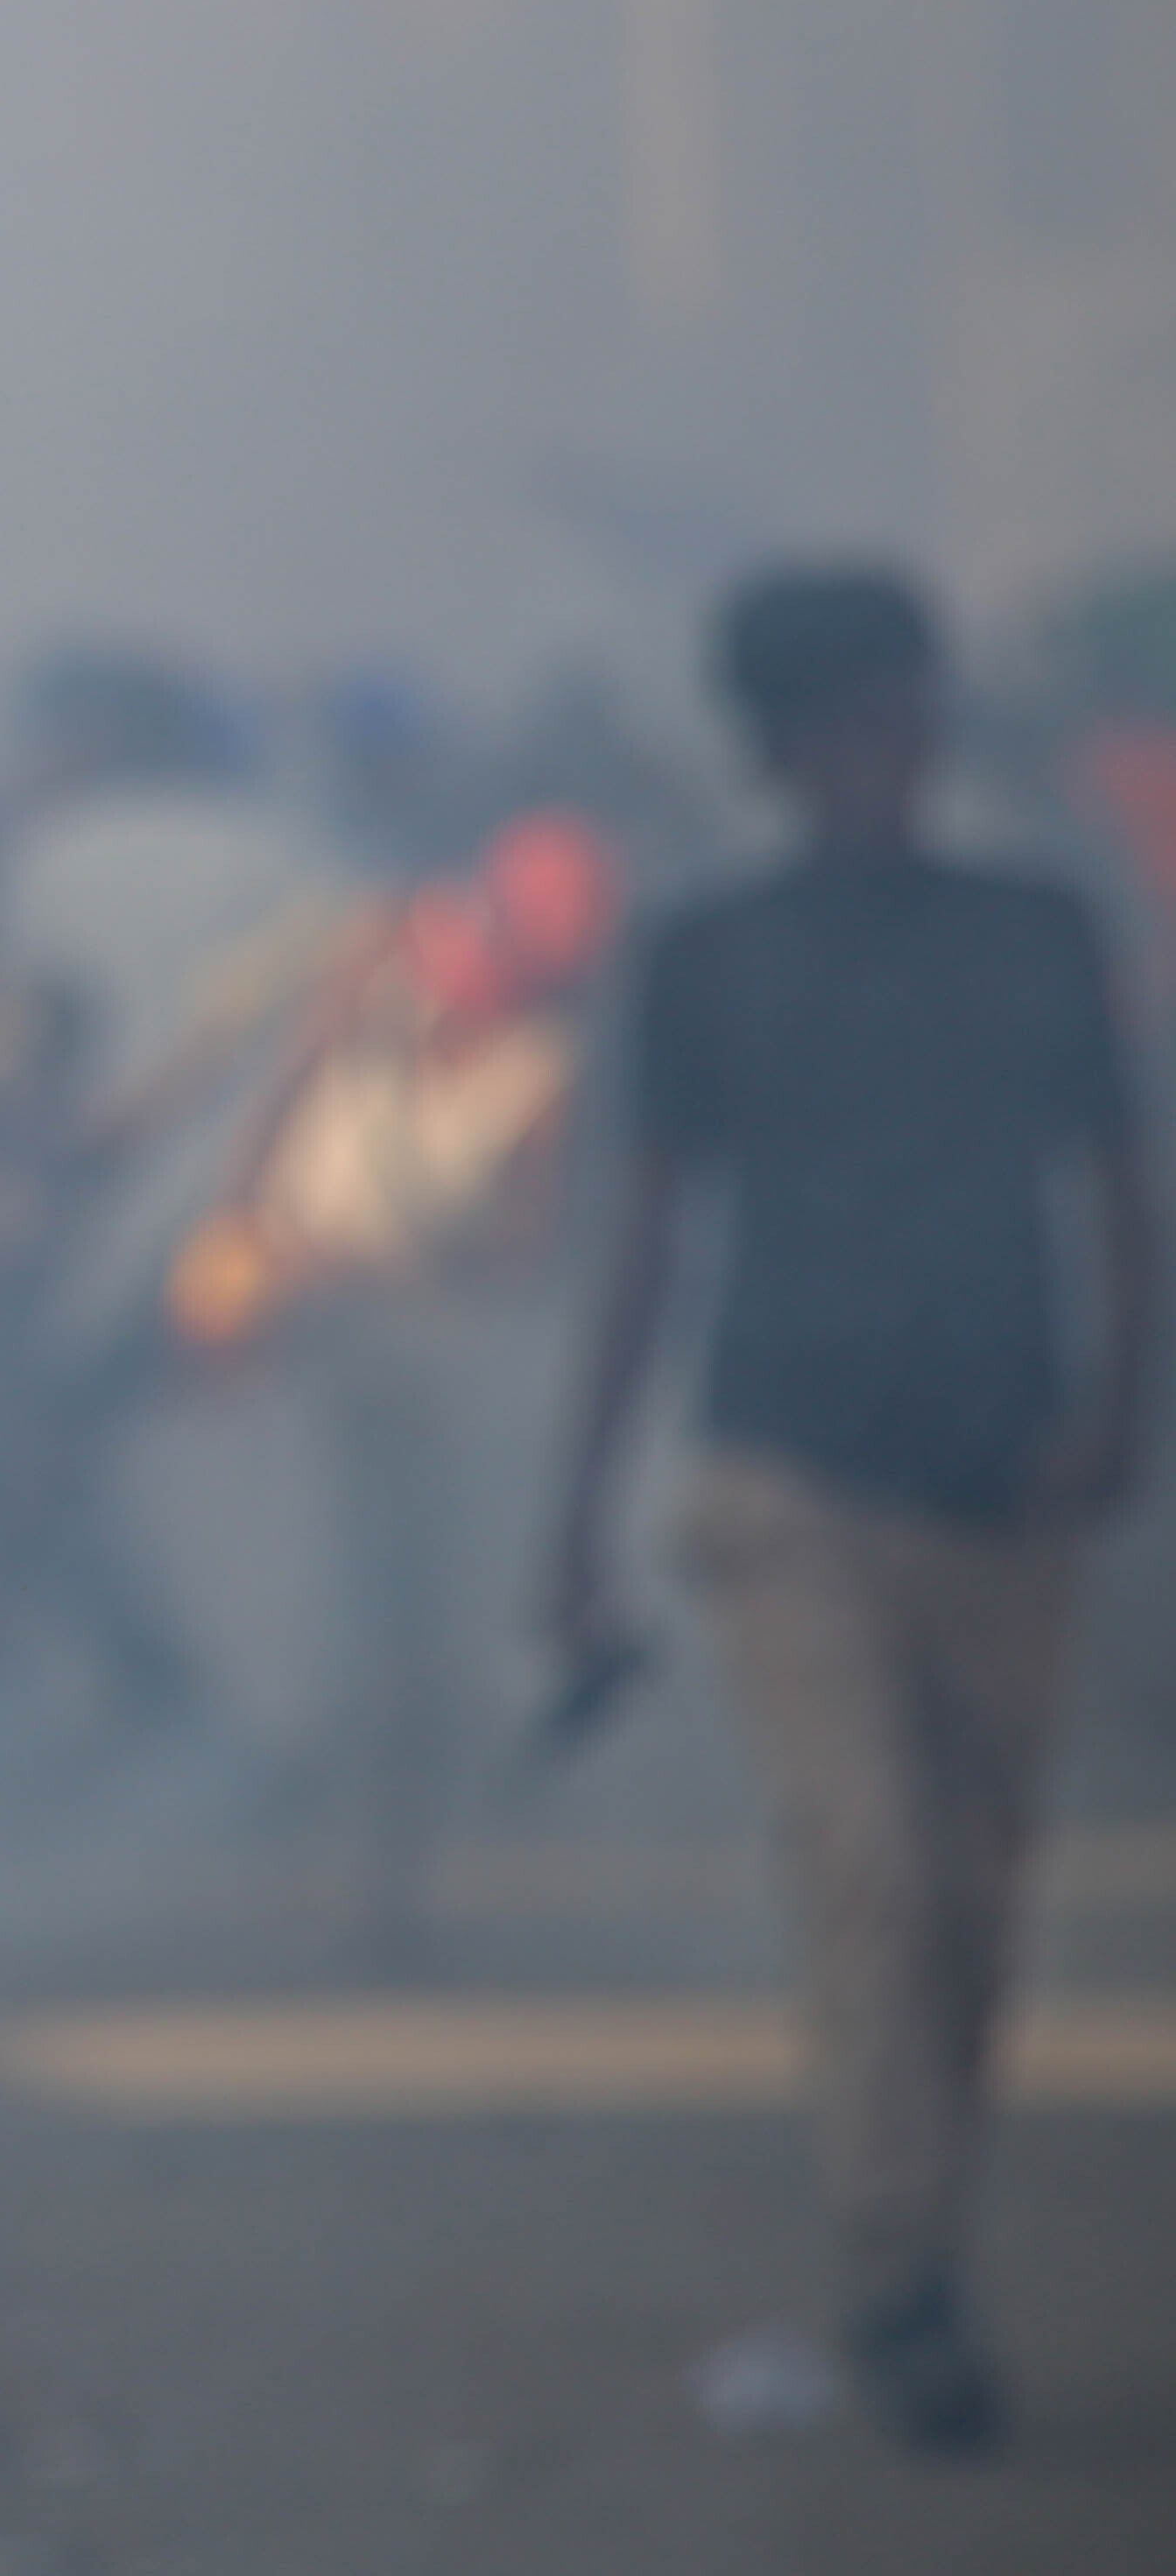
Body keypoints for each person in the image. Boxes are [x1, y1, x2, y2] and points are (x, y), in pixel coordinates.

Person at [547, 565, 1151, 2454]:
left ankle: (918, 2238)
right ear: (783, 748)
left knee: (972, 1900)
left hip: (1003, 1481)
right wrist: (572, 1523)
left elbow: (1124, 1190)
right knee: (871, 1863)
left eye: (899, 706)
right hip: (784, 1476)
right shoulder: (708, 953)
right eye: (841, 720)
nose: (879, 747)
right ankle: (900, 2275)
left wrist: (1121, 1409)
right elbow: (647, 1237)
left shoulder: (1038, 932)